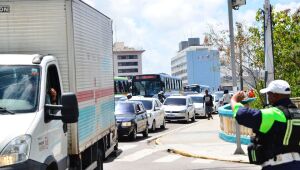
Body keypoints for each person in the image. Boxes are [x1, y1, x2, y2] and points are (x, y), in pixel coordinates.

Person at [231, 80, 300, 170]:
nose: (268, 96)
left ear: (276, 95)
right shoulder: (297, 113)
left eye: (269, 94)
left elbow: (241, 115)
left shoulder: (273, 114)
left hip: (277, 165)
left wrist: (234, 100)